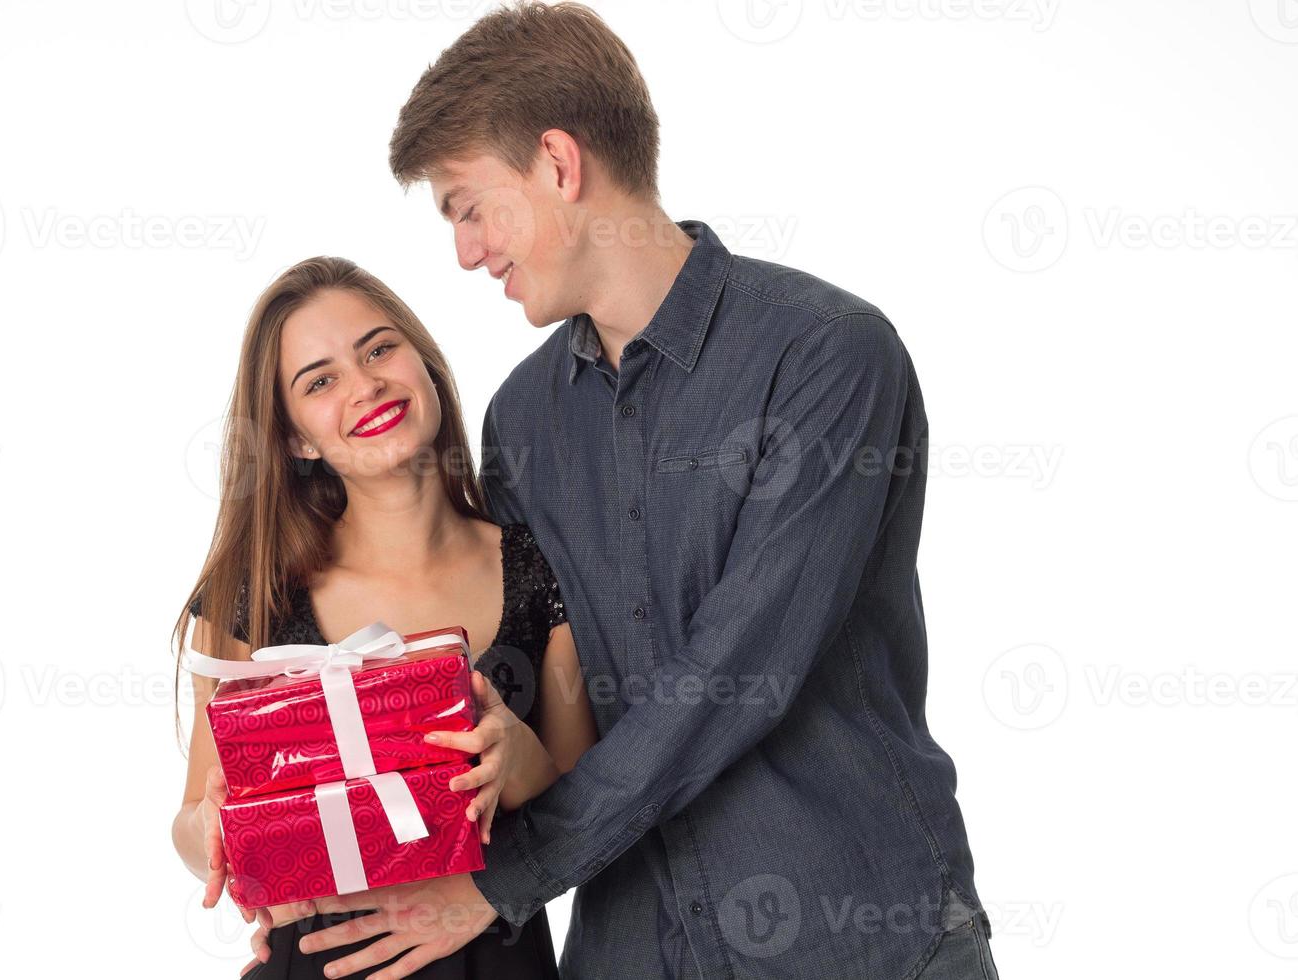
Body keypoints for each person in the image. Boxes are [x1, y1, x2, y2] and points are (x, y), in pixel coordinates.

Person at [287, 4, 999, 979]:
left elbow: (729, 680)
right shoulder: (523, 421)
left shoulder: (827, 355)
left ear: (558, 163)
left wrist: (502, 881)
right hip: (633, 950)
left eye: (466, 204)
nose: (464, 249)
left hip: (858, 938)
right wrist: (322, 893)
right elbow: (532, 710)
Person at [169, 255, 598, 979]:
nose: (365, 385)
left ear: (425, 365)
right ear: (297, 438)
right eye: (320, 380)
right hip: (316, 962)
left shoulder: (538, 570)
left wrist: (520, 763)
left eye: (379, 349)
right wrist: (216, 831)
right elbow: (189, 823)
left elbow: (594, 811)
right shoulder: (253, 593)